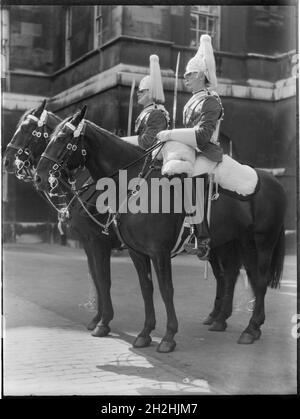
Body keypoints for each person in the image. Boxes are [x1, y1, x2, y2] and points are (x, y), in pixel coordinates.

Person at [157, 34, 224, 259]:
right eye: (185, 74)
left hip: (207, 151)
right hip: (193, 149)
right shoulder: (192, 102)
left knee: (192, 178)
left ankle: (201, 237)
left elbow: (203, 135)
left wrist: (171, 133)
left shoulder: (210, 100)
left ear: (201, 75)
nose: (185, 78)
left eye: (190, 74)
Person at [122, 54, 170, 148]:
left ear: (150, 92)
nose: (138, 94)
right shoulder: (146, 113)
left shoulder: (156, 114)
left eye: (141, 91)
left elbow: (148, 142)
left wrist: (124, 142)